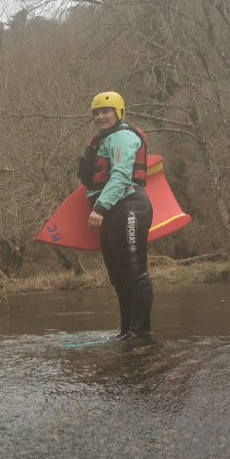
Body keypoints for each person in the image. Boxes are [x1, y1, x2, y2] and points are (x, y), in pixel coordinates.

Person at [77, 91, 154, 341]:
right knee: (119, 279)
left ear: (119, 113)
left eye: (106, 112)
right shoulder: (102, 140)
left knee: (135, 274)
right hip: (113, 210)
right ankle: (126, 331)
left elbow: (121, 175)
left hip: (129, 205)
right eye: (97, 113)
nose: (100, 117)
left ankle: (140, 332)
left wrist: (99, 209)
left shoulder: (122, 137)